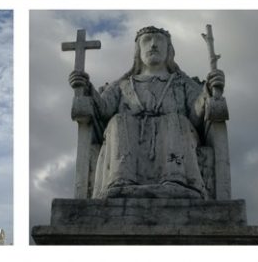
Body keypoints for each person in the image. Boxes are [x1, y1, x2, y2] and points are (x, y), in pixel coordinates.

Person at [68, 26, 225, 198]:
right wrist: (86, 88)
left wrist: (209, 90)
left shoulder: (182, 83)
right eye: (147, 41)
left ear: (169, 50)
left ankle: (176, 180)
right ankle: (121, 181)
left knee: (175, 121)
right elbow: (104, 110)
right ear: (138, 50)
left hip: (174, 133)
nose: (153, 45)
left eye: (159, 41)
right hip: (131, 134)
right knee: (119, 121)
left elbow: (196, 116)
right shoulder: (122, 85)